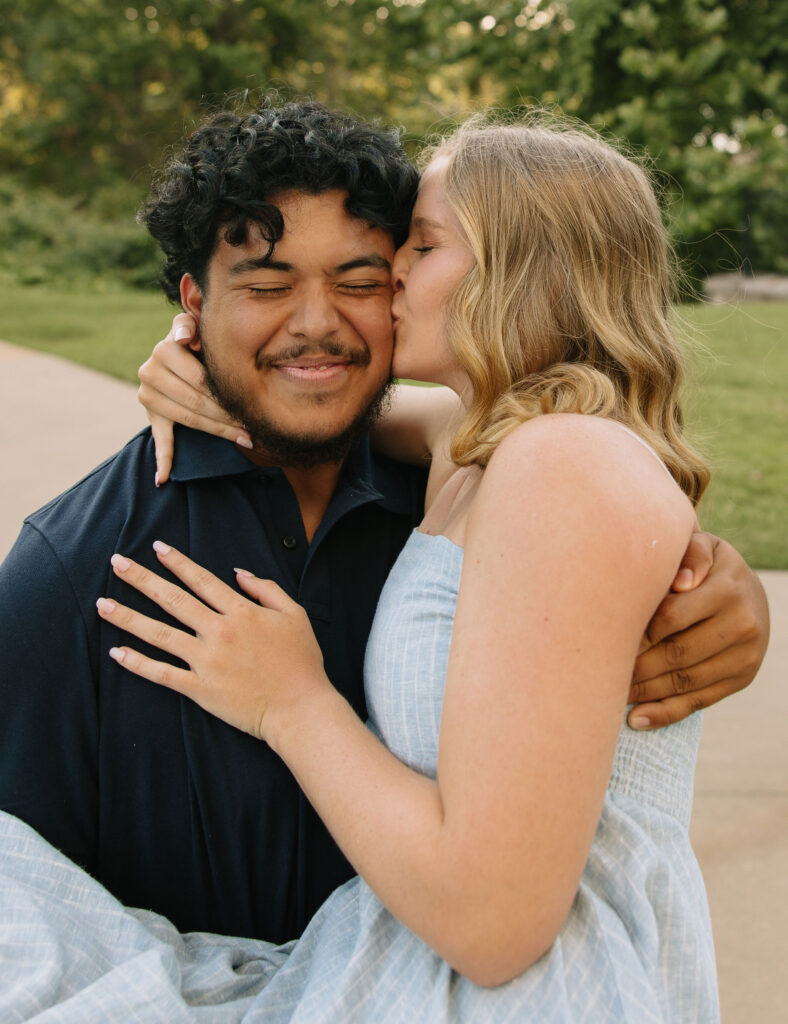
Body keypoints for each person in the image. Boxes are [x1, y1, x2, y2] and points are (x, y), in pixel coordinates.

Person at [0, 97, 766, 958]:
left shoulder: (507, 479)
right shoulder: (72, 571)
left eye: (372, 275)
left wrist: (728, 595)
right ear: (195, 299)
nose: (325, 319)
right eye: (264, 285)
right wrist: (206, 356)